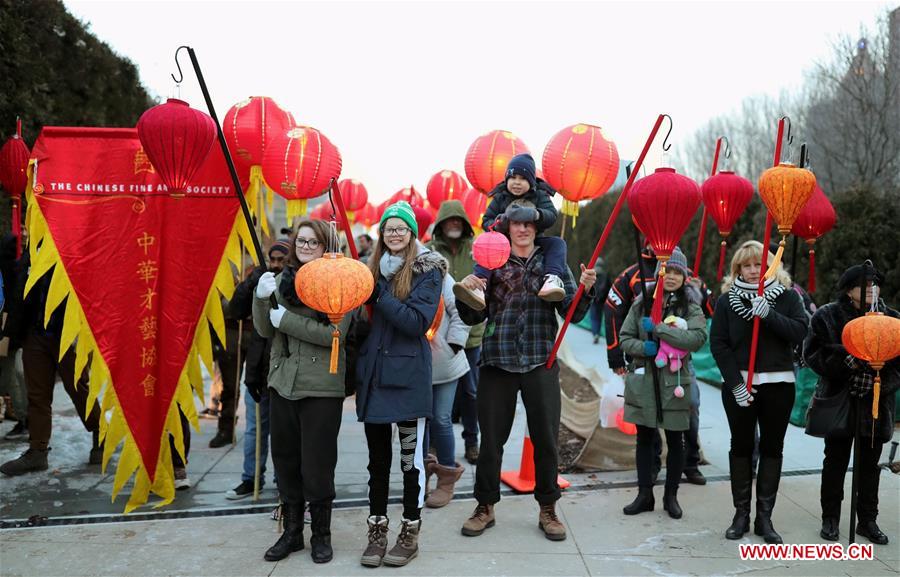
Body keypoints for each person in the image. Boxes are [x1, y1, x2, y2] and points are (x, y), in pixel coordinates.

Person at [455, 202, 597, 542]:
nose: (523, 229)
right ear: (508, 227)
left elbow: (573, 314)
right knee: (491, 442)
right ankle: (484, 506)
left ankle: (548, 508)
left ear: (537, 228)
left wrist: (585, 290)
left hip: (540, 360)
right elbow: (472, 317)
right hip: (497, 360)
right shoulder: (492, 262)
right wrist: (468, 291)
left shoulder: (553, 264)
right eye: (517, 224)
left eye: (529, 224)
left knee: (547, 441)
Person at [253, 221, 352, 564]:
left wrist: (287, 321)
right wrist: (261, 298)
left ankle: (321, 534)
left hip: (321, 386)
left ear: (327, 246)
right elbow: (266, 328)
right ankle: (292, 532)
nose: (306, 246)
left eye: (314, 241)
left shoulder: (342, 280)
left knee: (318, 465)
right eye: (302, 240)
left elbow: (334, 334)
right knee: (286, 461)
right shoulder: (284, 280)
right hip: (283, 383)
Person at [356, 201, 444, 568]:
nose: (394, 233)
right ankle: (377, 530)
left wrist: (380, 295)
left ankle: (410, 530)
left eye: (401, 228)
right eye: (388, 228)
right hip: (375, 377)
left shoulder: (429, 270)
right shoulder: (369, 270)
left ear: (411, 233)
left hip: (407, 380)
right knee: (377, 463)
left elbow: (415, 321)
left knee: (411, 463)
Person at [710, 240, 808, 544]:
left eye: (760, 265)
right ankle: (741, 514)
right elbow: (719, 344)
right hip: (741, 386)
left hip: (778, 386)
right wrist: (735, 384)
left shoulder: (788, 297)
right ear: (737, 269)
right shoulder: (727, 301)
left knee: (771, 448)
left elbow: (800, 331)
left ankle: (764, 518)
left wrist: (769, 315)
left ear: (771, 266)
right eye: (747, 265)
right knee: (740, 447)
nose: (754, 271)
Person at [803, 262, 898, 545]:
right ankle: (830, 517)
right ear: (849, 289)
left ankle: (867, 520)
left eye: (875, 283)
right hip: (839, 401)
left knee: (870, 466)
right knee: (835, 462)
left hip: (876, 405)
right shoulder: (827, 316)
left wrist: (881, 379)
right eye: (864, 284)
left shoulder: (892, 319)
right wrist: (845, 362)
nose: (871, 289)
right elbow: (812, 352)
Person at [606, 245, 714, 485]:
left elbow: (698, 336)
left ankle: (689, 465)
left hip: (678, 374)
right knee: (646, 429)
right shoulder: (639, 295)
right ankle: (648, 478)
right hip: (647, 373)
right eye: (667, 271)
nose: (672, 276)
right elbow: (620, 326)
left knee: (686, 419)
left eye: (678, 272)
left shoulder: (690, 303)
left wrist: (660, 329)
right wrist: (639, 349)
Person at [0, 248, 101, 476]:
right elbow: (18, 292)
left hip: (68, 332)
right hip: (35, 332)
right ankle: (37, 451)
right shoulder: (32, 249)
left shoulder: (74, 242)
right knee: (36, 395)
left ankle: (100, 432)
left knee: (78, 387)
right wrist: (12, 333)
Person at [453, 153, 568, 309]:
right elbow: (487, 222)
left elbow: (551, 216)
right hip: (501, 244)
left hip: (532, 241)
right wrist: (502, 221)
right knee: (488, 250)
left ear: (531, 181)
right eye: (513, 178)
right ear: (507, 179)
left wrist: (535, 214)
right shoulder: (500, 197)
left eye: (522, 178)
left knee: (557, 243)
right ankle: (479, 285)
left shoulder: (540, 195)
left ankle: (552, 279)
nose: (517, 183)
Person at [224, 239, 289, 500]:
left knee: (284, 431)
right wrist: (252, 282)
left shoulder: (294, 281)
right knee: (254, 429)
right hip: (257, 367)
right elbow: (235, 310)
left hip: (283, 367)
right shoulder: (258, 277)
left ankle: (284, 479)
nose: (275, 265)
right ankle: (251, 478)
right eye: (271, 260)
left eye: (280, 261)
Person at [426, 199, 484, 464]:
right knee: (436, 396)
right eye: (449, 220)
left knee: (471, 392)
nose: (454, 225)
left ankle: (472, 441)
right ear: (440, 224)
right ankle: (436, 445)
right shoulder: (428, 252)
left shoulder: (477, 251)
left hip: (471, 336)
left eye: (458, 221)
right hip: (437, 338)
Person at [422, 243, 471, 508]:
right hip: (414, 363)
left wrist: (454, 344)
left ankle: (446, 479)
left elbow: (459, 310)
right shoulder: (394, 272)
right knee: (418, 423)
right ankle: (420, 478)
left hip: (445, 361)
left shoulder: (437, 272)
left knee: (441, 419)